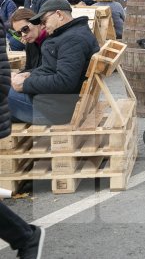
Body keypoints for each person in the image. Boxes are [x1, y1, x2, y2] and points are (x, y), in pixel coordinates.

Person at [8, 0, 99, 124]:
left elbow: (64, 81)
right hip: (55, 104)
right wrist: (29, 74)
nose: (43, 26)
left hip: (56, 110)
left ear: (59, 15)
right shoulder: (72, 34)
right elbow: (53, 70)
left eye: (44, 21)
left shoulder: (72, 39)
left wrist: (25, 83)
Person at [1, 20, 46, 258]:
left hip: (51, 106)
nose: (22, 35)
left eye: (26, 29)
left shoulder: (57, 40)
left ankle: (25, 237)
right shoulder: (34, 43)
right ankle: (25, 237)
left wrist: (26, 80)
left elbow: (63, 79)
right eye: (19, 32)